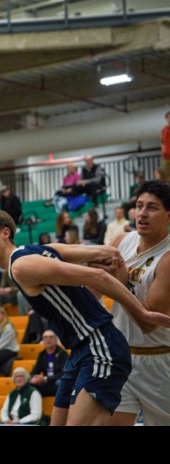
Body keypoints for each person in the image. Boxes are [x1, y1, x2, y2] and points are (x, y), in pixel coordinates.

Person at [0, 206, 170, 426]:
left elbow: (98, 276)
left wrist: (143, 313)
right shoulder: (33, 250)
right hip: (80, 351)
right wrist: (107, 253)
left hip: (100, 345)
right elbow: (92, 252)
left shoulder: (21, 265)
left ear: (5, 232)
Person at [106, 180, 170, 426]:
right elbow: (91, 286)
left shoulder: (167, 258)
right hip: (121, 356)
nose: (142, 213)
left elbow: (149, 323)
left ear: (168, 216)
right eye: (139, 206)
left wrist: (119, 283)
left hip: (159, 361)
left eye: (152, 207)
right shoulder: (122, 242)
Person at [30, 329, 69, 397]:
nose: (48, 339)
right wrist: (33, 378)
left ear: (56, 340)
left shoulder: (62, 353)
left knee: (60, 383)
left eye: (51, 337)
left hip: (57, 383)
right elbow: (35, 371)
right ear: (43, 341)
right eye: (45, 337)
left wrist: (45, 378)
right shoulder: (42, 354)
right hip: (47, 384)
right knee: (28, 385)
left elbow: (64, 373)